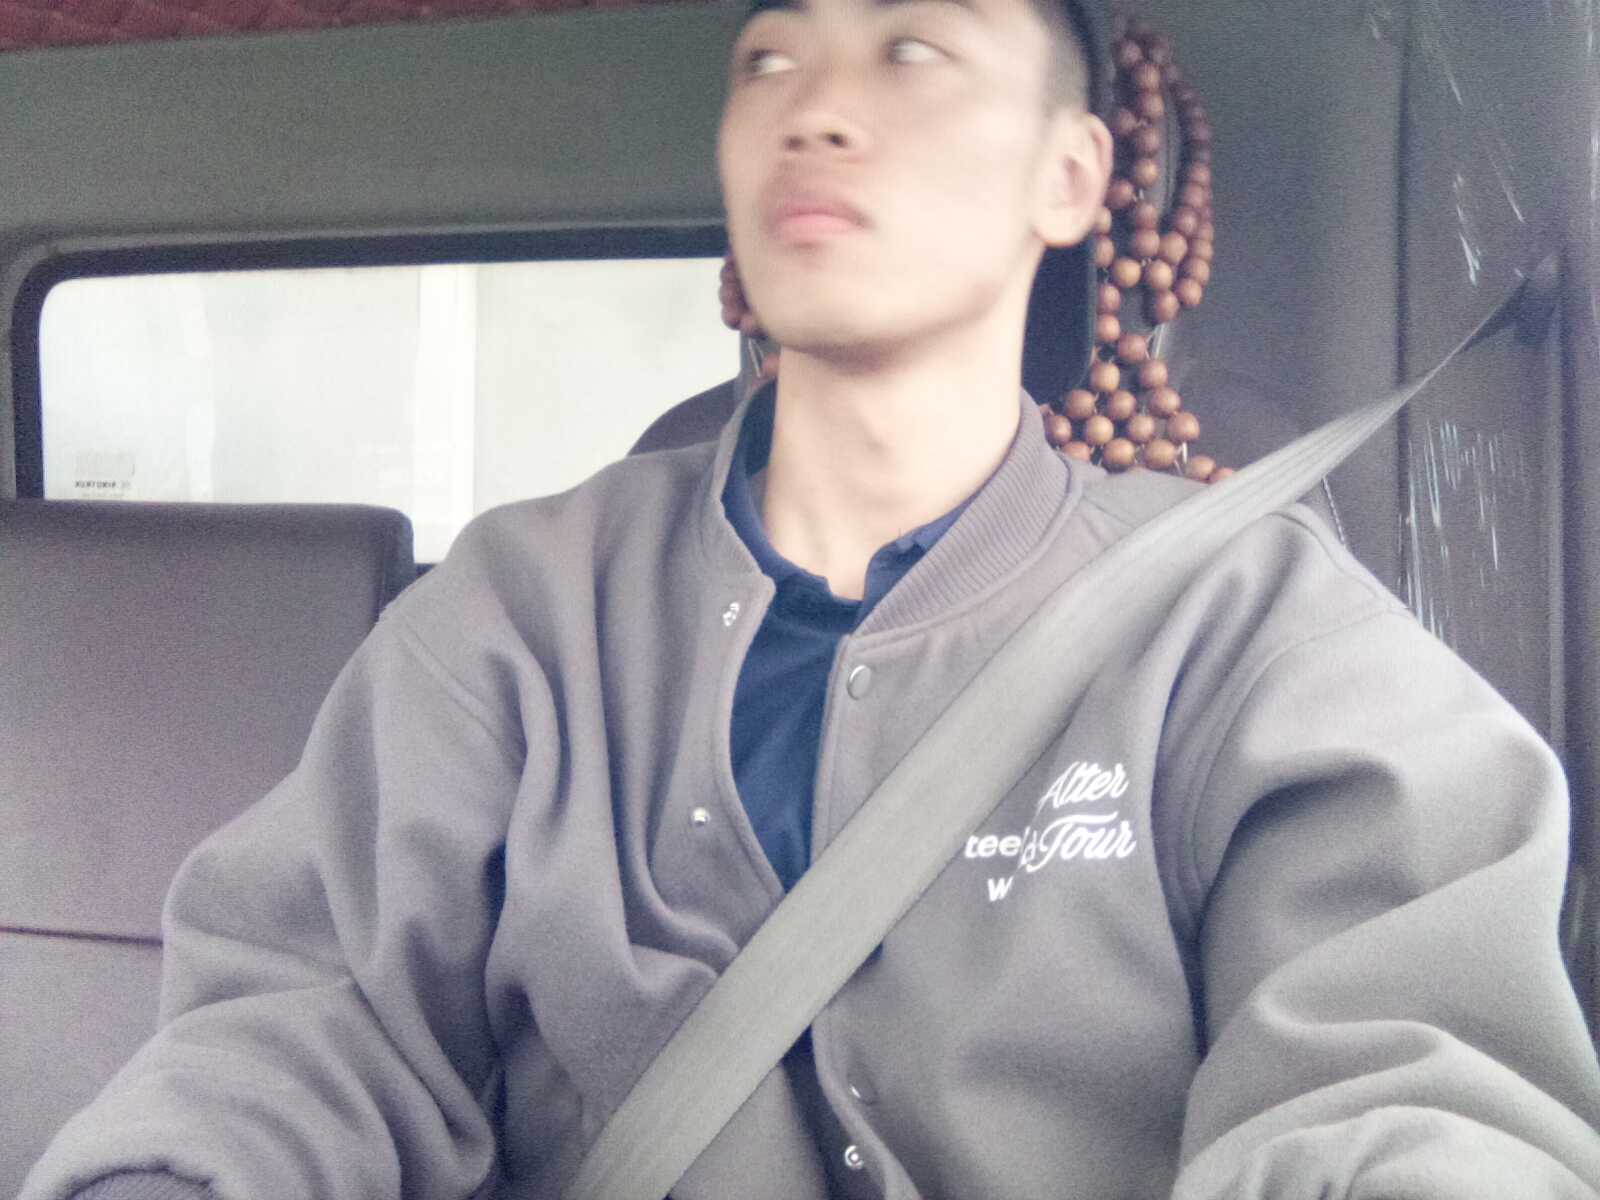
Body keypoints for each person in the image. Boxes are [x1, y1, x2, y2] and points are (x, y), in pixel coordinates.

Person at [23, 0, 1600, 1197]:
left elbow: (1402, 1080)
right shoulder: (519, 612)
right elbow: (309, 1028)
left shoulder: (1246, 624)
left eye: (915, 51)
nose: (820, 108)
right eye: (770, 60)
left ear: (1069, 176)